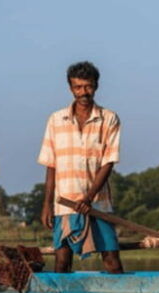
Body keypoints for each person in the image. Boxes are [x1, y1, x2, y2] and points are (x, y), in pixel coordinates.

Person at [38, 61, 123, 273]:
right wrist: (47, 204)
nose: (83, 92)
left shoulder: (109, 119)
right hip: (65, 204)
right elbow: (51, 165)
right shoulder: (56, 120)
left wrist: (89, 197)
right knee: (62, 261)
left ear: (96, 86)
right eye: (78, 87)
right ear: (70, 88)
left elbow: (108, 162)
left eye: (88, 86)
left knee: (111, 259)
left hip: (98, 204)